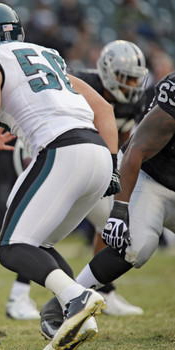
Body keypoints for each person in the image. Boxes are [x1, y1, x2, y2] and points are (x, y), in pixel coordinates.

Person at [0, 3, 119, 349]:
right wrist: (114, 166)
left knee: (12, 247)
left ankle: (77, 298)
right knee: (37, 243)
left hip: (61, 150)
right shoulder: (47, 55)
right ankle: (65, 313)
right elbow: (104, 110)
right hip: (97, 152)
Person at [10, 39, 149, 321]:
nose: (130, 86)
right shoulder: (82, 83)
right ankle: (19, 297)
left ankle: (104, 291)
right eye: (125, 78)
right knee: (35, 230)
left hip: (88, 162)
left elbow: (124, 140)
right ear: (108, 71)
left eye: (135, 79)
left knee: (110, 224)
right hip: (43, 153)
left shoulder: (136, 101)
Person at [39, 70, 175, 343]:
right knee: (138, 244)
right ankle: (68, 300)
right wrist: (120, 210)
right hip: (151, 176)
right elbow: (136, 147)